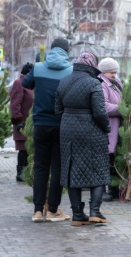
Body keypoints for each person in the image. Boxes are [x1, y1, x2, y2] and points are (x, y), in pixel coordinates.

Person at [55, 51, 111, 226]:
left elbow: (57, 110)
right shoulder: (94, 83)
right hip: (91, 131)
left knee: (72, 170)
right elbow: (100, 113)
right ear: (92, 65)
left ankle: (77, 215)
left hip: (68, 131)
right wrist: (106, 128)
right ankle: (95, 212)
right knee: (99, 168)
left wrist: (70, 120)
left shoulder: (63, 82)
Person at [22, 38, 72, 223]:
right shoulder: (71, 70)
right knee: (57, 168)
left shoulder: (39, 67)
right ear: (67, 51)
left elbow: (26, 84)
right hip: (62, 125)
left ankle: (37, 211)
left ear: (51, 50)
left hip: (41, 124)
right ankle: (52, 210)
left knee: (41, 167)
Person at [97, 58, 123, 202]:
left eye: (115, 72)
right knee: (106, 159)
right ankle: (104, 190)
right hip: (107, 126)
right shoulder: (101, 84)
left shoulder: (116, 83)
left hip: (118, 125)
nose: (114, 75)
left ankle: (115, 189)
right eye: (111, 72)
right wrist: (122, 109)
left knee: (115, 159)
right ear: (103, 71)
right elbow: (104, 106)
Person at [9, 62, 34, 182]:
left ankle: (29, 172)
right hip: (22, 123)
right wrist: (19, 121)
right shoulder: (19, 83)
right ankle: (20, 174)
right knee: (23, 149)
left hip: (31, 123)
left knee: (30, 149)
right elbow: (15, 104)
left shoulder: (32, 84)